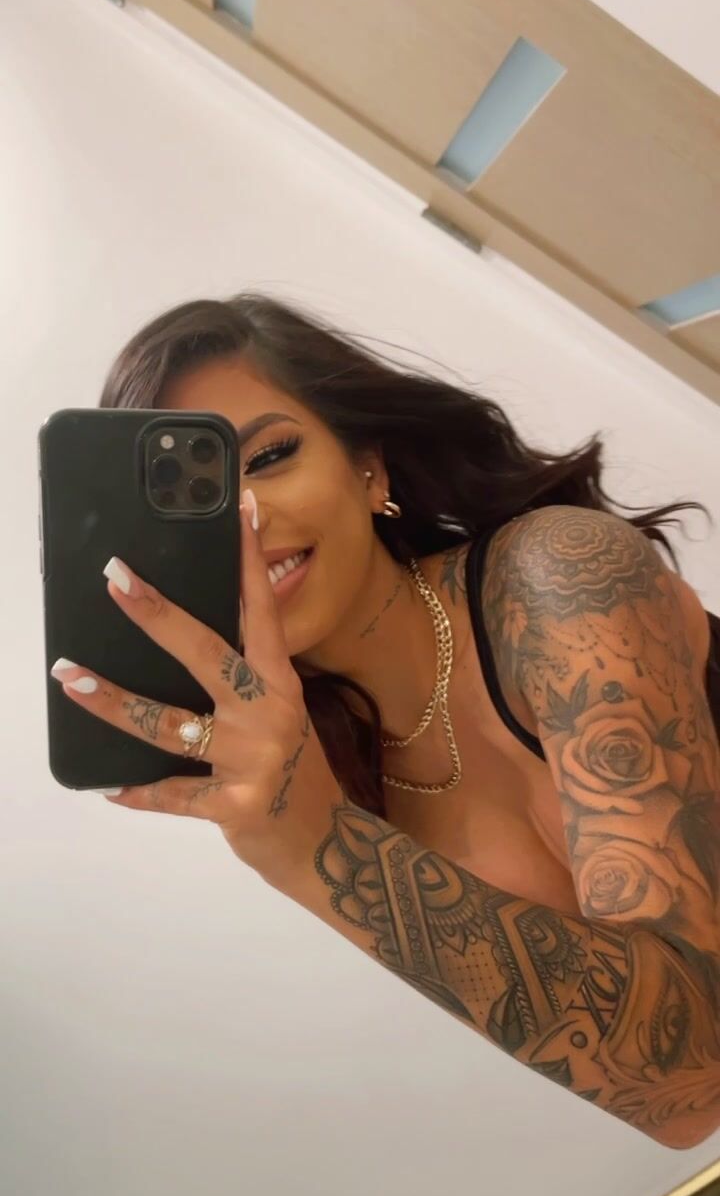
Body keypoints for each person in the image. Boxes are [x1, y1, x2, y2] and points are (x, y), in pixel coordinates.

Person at [51, 292, 720, 1148]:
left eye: (270, 457)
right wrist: (311, 832)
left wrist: (316, 848)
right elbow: (675, 1099)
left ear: (369, 468)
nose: (243, 522)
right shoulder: (327, 772)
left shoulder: (557, 577)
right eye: (194, 503)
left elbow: (696, 1062)